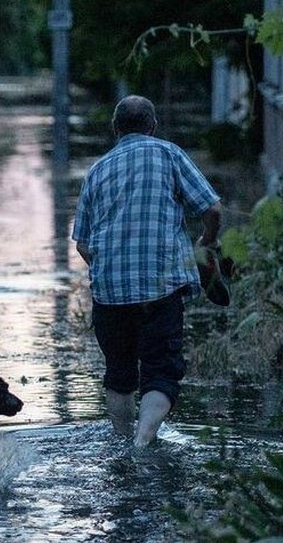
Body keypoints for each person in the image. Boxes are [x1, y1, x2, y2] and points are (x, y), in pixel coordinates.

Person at [71, 95, 222, 446]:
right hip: (161, 285)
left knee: (119, 374)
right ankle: (142, 442)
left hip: (109, 293)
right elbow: (212, 210)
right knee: (162, 370)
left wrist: (110, 269)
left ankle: (124, 444)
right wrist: (206, 244)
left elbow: (81, 244)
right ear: (153, 127)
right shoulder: (168, 154)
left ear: (115, 129)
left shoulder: (97, 171)